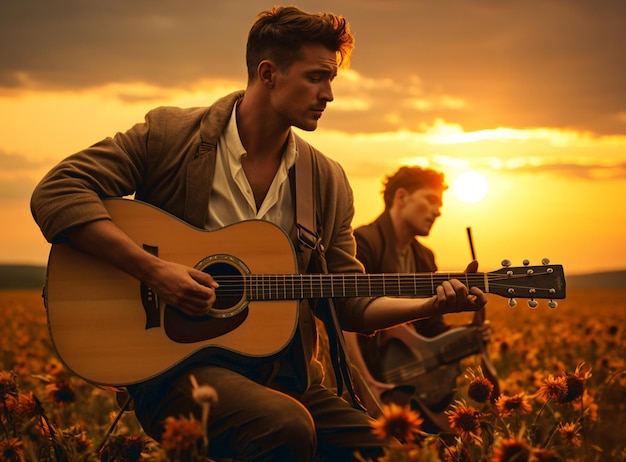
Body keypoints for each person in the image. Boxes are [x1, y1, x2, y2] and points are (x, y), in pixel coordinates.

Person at [31, 6, 487, 461]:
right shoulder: (169, 136)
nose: (329, 94)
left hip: (284, 378)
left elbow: (349, 301)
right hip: (175, 371)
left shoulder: (325, 180)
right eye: (315, 77)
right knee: (286, 428)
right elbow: (58, 191)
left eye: (331, 80)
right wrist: (153, 271)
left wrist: (430, 303)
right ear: (268, 73)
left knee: (390, 451)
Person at [344, 166, 493, 433]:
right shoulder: (363, 243)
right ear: (401, 197)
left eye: (440, 204)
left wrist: (470, 336)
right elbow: (346, 321)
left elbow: (431, 330)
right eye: (430, 199)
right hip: (370, 381)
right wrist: (367, 387)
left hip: (412, 386)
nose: (438, 211)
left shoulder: (425, 257)